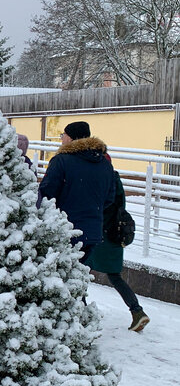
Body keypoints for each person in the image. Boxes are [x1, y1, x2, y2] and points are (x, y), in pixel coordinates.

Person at [38, 121, 115, 266]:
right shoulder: (104, 163)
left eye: (63, 135)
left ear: (71, 138)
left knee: (58, 275)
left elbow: (46, 193)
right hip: (93, 232)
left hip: (64, 230)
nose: (62, 139)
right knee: (78, 274)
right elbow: (110, 197)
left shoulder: (61, 161)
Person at [85, 168, 150, 332]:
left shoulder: (98, 179)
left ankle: (82, 313)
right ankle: (137, 311)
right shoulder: (114, 179)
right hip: (115, 234)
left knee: (81, 271)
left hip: (99, 234)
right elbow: (119, 205)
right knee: (114, 276)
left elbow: (97, 206)